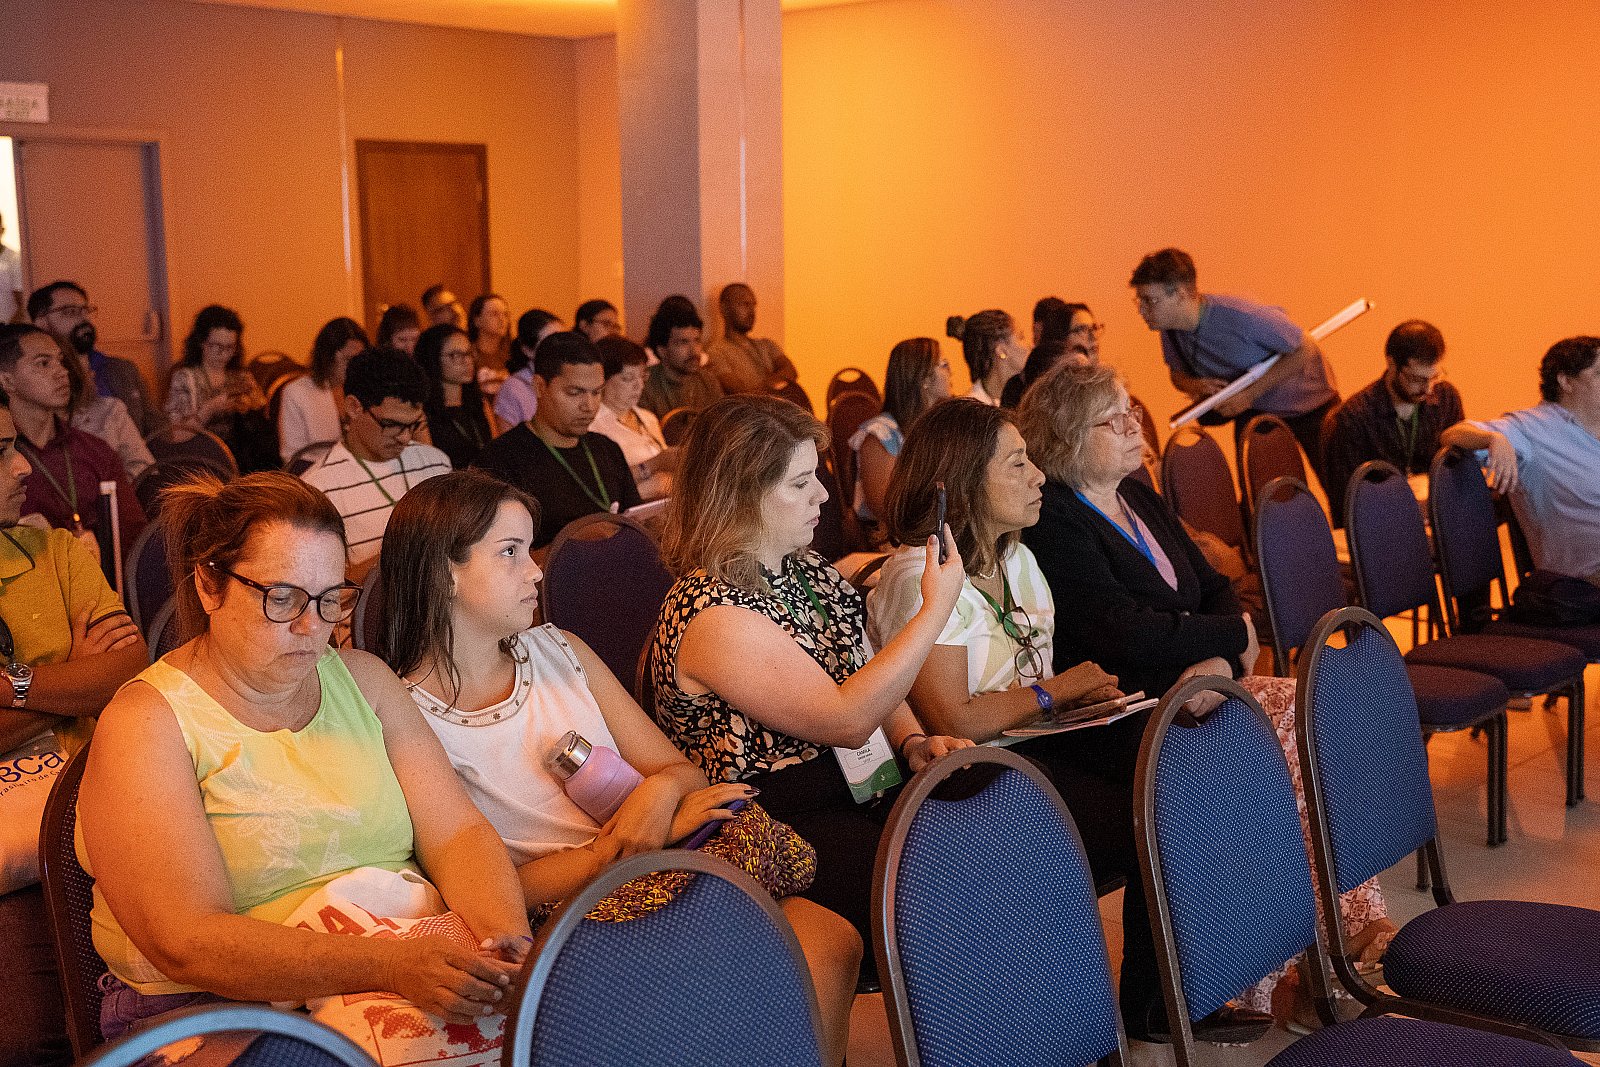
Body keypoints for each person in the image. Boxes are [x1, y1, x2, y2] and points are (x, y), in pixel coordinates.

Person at [377, 472, 860, 1067]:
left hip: (652, 866)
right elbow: (488, 886)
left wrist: (653, 801)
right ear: (442, 573)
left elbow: (678, 770)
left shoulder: (562, 651)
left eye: (529, 550)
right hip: (570, 911)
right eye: (510, 553)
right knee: (758, 974)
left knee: (832, 940)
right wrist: (619, 849)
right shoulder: (407, 714)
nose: (535, 572)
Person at [75, 471, 530, 1042]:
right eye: (282, 598)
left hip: (400, 964)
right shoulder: (146, 721)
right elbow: (187, 942)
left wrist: (503, 943)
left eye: (329, 599)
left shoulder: (364, 680)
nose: (312, 627)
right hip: (214, 1011)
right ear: (210, 586)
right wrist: (390, 965)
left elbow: (457, 833)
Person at [1016, 363, 1392, 1031]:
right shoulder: (1059, 522)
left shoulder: (1138, 497)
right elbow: (1124, 633)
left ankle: (1327, 946)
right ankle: (1301, 962)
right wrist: (1229, 639)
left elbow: (1215, 587)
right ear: (1068, 439)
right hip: (1119, 708)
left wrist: (1219, 653)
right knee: (1274, 733)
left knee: (1304, 713)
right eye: (1112, 418)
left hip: (1199, 687)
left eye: (1130, 410)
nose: (1133, 425)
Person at [864, 397, 1205, 1042]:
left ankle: (1169, 994)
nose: (1039, 476)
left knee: (1182, 758)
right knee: (1145, 812)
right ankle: (1108, 1015)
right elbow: (953, 717)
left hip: (1035, 742)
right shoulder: (922, 576)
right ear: (965, 482)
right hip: (970, 773)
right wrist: (1056, 693)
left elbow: (1028, 684)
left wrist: (1073, 700)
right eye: (1017, 463)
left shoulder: (1015, 556)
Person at [646, 394, 971, 963]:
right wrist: (934, 612)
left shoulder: (806, 570)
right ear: (740, 496)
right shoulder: (712, 612)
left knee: (995, 840)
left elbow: (864, 671)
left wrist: (911, 741)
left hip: (855, 786)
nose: (823, 494)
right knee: (948, 895)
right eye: (800, 483)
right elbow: (847, 720)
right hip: (776, 821)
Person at [0, 395, 146, 1067]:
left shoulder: (52, 548)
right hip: (15, 858)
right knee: (30, 1041)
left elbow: (125, 667)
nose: (21, 468)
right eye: (1, 452)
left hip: (103, 819)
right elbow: (92, 678)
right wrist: (71, 677)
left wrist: (16, 685)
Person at [1131, 248, 1339, 482]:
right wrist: (1196, 385)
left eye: (1150, 300)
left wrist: (1249, 395)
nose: (1141, 309)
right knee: (1264, 493)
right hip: (1256, 413)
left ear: (1180, 294)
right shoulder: (1170, 330)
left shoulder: (1243, 316)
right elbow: (1176, 375)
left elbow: (1305, 348)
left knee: (1338, 482)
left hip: (1310, 404)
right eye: (1139, 300)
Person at [1441, 336, 1600, 584]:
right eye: (1599, 373)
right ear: (1566, 381)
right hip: (1579, 584)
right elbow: (1452, 435)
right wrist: (1492, 438)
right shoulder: (1531, 429)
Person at [473, 332, 640, 550]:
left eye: (597, 393)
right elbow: (495, 555)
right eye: (574, 393)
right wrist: (573, 542)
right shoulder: (499, 461)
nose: (589, 406)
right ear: (539, 387)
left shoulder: (607, 449)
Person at [299, 347, 450, 579]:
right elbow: (326, 589)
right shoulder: (317, 490)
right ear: (354, 407)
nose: (405, 437)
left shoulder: (435, 463)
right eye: (391, 424)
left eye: (413, 425)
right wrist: (400, 553)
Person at [0, 325, 146, 555]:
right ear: (7, 381)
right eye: (43, 363)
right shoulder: (5, 455)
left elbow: (133, 536)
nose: (62, 372)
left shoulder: (94, 450)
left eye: (61, 361)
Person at [1321, 319, 1465, 525]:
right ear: (1391, 364)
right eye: (1416, 379)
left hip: (1436, 516)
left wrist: (1434, 483)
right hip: (1381, 524)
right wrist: (1402, 495)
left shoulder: (1446, 398)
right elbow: (1347, 500)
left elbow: (1458, 464)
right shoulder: (1354, 418)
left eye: (1434, 377)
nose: (1428, 389)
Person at [29, 280, 156, 435]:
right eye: (70, 312)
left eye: (86, 310)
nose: (84, 319)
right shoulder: (37, 381)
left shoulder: (122, 369)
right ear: (41, 322)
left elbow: (156, 427)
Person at [848, 337, 951, 525]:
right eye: (944, 364)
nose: (950, 372)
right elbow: (885, 508)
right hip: (888, 535)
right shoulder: (879, 435)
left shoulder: (937, 428)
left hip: (931, 530)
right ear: (924, 379)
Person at [166, 305, 274, 473]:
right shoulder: (186, 378)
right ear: (201, 342)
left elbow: (262, 421)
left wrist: (246, 406)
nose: (223, 354)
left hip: (244, 458)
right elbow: (176, 435)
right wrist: (210, 409)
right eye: (216, 346)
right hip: (203, 460)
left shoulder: (242, 376)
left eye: (230, 348)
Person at [591, 335, 674, 501]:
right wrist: (655, 465)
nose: (639, 386)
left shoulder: (647, 418)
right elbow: (604, 487)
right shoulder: (593, 426)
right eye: (628, 378)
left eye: (643, 376)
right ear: (603, 380)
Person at [278, 317, 368, 465]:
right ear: (326, 357)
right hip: (315, 472)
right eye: (347, 360)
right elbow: (293, 458)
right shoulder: (296, 392)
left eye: (357, 360)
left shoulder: (364, 388)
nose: (352, 368)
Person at [62, 337, 153, 481]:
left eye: (89, 368)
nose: (92, 374)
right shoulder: (37, 423)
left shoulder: (109, 409)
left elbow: (143, 466)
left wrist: (111, 488)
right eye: (83, 369)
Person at [415, 323, 493, 470]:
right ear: (433, 359)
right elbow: (430, 466)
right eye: (455, 355)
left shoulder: (480, 403)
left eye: (469, 353)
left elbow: (495, 449)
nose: (467, 361)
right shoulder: (423, 412)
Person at [704, 283, 800, 396]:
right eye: (744, 304)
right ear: (724, 308)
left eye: (753, 305)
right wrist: (776, 384)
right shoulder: (716, 352)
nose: (752, 312)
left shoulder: (766, 345)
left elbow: (791, 370)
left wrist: (768, 385)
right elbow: (739, 392)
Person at [1001, 302, 1099, 407]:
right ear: (1059, 338)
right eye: (1082, 329)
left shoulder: (1101, 385)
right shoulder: (1022, 386)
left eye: (1094, 328)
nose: (1093, 336)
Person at [639, 296, 723, 418]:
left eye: (697, 340)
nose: (694, 351)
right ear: (662, 350)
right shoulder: (645, 385)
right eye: (683, 342)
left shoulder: (708, 381)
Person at [493, 309, 561, 433]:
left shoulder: (570, 379)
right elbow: (507, 440)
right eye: (550, 343)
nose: (560, 348)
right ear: (528, 350)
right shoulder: (513, 389)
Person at [946, 309, 1024, 407]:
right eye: (1021, 338)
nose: (1029, 346)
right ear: (1002, 351)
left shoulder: (1025, 397)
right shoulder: (972, 409)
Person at [467, 293, 512, 398]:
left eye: (505, 314)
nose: (502, 319)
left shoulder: (513, 354)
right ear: (477, 321)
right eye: (494, 314)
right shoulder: (468, 354)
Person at [0, 217, 20, 324]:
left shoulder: (14, 259)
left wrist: (7, 330)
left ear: (2, 230)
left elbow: (23, 304)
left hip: (7, 328)